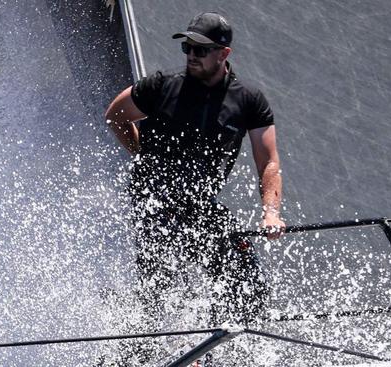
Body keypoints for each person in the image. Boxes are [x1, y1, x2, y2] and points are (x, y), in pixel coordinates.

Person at [104, 12, 285, 335]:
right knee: (162, 286)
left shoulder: (247, 101)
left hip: (198, 205)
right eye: (187, 48)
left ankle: (224, 352)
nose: (191, 55)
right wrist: (140, 153)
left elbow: (268, 162)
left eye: (201, 50)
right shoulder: (161, 86)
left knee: (246, 280)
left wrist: (271, 213)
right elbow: (116, 115)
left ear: (223, 54)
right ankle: (133, 355)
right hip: (155, 202)